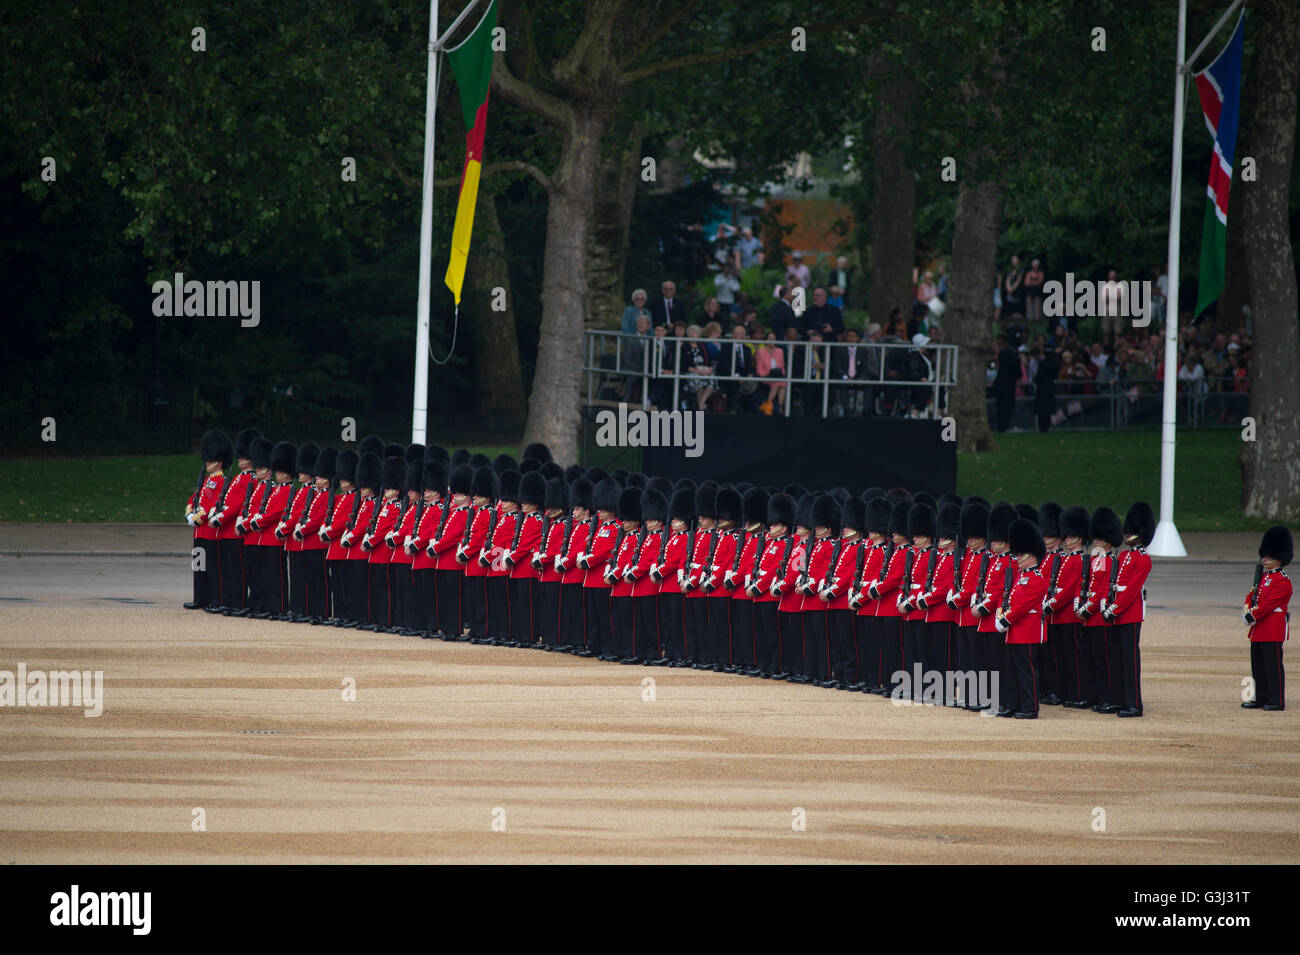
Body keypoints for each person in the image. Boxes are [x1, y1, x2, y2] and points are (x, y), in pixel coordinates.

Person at [1101, 502, 1154, 717]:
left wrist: (1114, 608)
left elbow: (1131, 590)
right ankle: (1118, 699)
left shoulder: (1143, 559)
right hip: (1115, 611)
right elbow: (1112, 582)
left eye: (1131, 532)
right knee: (1116, 658)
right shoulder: (1124, 556)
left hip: (1129, 614)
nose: (1127, 535)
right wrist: (1107, 603)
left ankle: (1133, 703)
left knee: (1129, 659)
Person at [994, 519, 1050, 719]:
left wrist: (1005, 619)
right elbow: (1007, 596)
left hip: (1026, 631)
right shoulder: (1019, 576)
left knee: (1026, 671)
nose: (1017, 558)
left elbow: (1024, 605)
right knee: (1011, 670)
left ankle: (1030, 707)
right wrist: (1001, 612)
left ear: (1031, 556)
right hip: (1014, 630)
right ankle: (1011, 704)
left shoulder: (1037, 578)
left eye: (1020, 554)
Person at [1242, 525, 1292, 711]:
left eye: (1268, 556)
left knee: (1273, 667)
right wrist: (1247, 607)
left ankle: (1276, 700)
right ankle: (1261, 697)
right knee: (1258, 666)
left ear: (1279, 558)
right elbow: (1254, 594)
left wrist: (1251, 614)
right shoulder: (1264, 578)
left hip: (1271, 628)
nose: (1264, 559)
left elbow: (1270, 604)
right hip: (1259, 628)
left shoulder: (1283, 580)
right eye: (1264, 556)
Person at [185, 430, 232, 610]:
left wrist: (197, 517)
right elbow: (194, 498)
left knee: (213, 569)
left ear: (219, 462)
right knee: (199, 566)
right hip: (199, 531)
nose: (207, 463)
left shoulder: (221, 481)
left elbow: (212, 504)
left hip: (211, 533)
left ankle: (216, 599)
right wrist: (189, 513)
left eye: (210, 460)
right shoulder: (204, 480)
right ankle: (200, 598)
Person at [993, 334, 1019, 432]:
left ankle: (1001, 427)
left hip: (1000, 383)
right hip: (1010, 384)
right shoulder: (1013, 354)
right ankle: (1003, 427)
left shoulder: (1000, 354)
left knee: (1000, 407)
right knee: (1007, 407)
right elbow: (1017, 371)